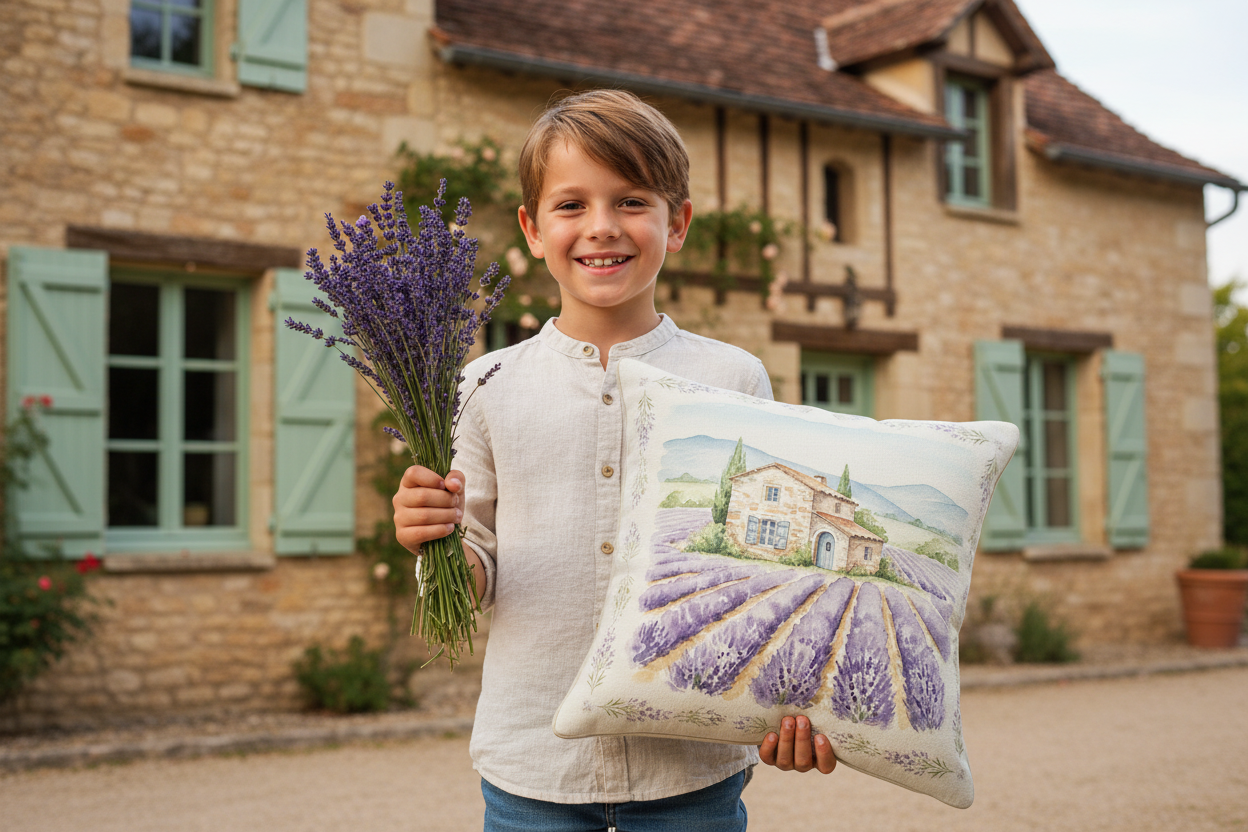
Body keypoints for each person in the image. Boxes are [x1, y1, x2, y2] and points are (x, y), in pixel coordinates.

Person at [393, 89, 836, 830]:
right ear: (533, 230)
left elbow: (769, 581)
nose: (601, 227)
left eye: (631, 201)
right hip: (532, 766)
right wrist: (435, 538)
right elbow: (474, 571)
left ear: (678, 222)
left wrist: (801, 699)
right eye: (571, 206)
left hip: (690, 774)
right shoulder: (482, 386)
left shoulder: (734, 380)